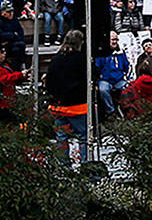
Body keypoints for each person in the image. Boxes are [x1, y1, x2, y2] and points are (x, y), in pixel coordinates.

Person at [44, 30, 89, 164]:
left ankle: (63, 164)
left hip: (58, 104)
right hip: (77, 105)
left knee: (61, 136)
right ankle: (85, 163)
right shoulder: (81, 59)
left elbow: (49, 80)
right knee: (83, 136)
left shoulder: (56, 58)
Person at [95, 32, 131, 119]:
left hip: (119, 79)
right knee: (103, 89)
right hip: (105, 80)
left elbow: (126, 66)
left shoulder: (121, 52)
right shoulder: (101, 53)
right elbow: (96, 68)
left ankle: (126, 110)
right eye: (112, 40)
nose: (115, 42)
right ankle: (111, 112)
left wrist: (126, 77)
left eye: (116, 40)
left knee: (129, 88)